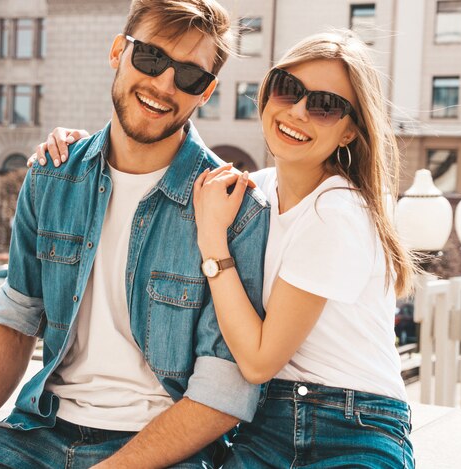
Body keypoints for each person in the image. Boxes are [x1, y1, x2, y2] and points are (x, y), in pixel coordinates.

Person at [28, 30, 417, 468]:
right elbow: (158, 156)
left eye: (325, 106)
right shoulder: (259, 191)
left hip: (352, 425)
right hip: (265, 425)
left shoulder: (336, 211)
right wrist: (77, 149)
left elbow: (256, 362)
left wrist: (213, 242)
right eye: (288, 90)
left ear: (349, 131)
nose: (298, 112)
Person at [0, 1, 269, 468]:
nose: (164, 84)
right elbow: (15, 320)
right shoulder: (51, 176)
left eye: (189, 76)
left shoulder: (237, 209)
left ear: (205, 92)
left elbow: (223, 392)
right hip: (38, 434)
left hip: (162, 450)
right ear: (117, 52)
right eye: (151, 58)